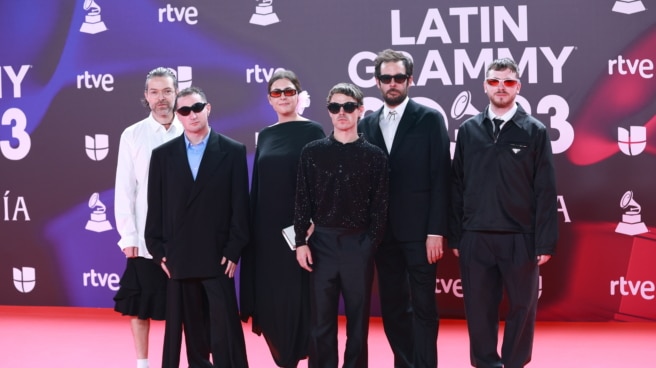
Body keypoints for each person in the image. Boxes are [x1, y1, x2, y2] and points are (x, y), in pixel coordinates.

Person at [449, 58, 558, 368]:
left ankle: (514, 363)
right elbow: (456, 184)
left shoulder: (534, 130)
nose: (501, 87)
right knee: (479, 309)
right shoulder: (469, 129)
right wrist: (457, 234)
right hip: (475, 237)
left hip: (520, 238)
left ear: (518, 87)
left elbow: (545, 190)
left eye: (508, 82)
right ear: (485, 85)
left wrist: (545, 242)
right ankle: (485, 363)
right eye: (495, 81)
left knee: (522, 307)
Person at [358, 49, 451, 367]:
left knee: (424, 306)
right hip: (382, 235)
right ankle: (406, 362)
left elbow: (441, 177)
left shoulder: (429, 118)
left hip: (421, 233)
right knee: (393, 307)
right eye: (386, 78)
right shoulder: (366, 123)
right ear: (377, 82)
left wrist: (436, 230)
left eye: (399, 77)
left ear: (411, 80)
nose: (393, 83)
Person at [145, 86, 250, 368]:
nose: (192, 115)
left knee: (224, 328)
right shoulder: (163, 156)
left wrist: (234, 248)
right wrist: (157, 250)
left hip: (218, 257)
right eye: (184, 110)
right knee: (191, 329)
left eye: (197, 108)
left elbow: (240, 206)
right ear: (177, 115)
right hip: (180, 257)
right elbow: (155, 209)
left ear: (208, 108)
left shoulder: (232, 151)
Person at [294, 82, 389, 368]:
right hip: (320, 244)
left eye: (348, 106)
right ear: (329, 112)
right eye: (335, 107)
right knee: (321, 321)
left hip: (357, 245)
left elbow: (380, 209)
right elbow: (302, 201)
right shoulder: (312, 152)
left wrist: (368, 245)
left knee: (358, 323)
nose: (342, 112)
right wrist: (300, 242)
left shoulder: (375, 156)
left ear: (360, 110)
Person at [239, 69, 325, 368]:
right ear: (269, 100)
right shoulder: (266, 134)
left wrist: (311, 224)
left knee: (301, 298)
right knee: (272, 299)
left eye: (289, 91)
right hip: (267, 234)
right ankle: (284, 359)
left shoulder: (313, 131)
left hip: (301, 232)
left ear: (299, 95)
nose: (284, 97)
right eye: (277, 93)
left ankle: (305, 354)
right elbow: (258, 184)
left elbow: (321, 183)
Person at [113, 67, 183, 368]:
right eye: (154, 92)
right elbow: (124, 189)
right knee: (140, 307)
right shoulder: (133, 134)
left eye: (167, 91)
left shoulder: (190, 128)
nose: (161, 98)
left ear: (176, 92)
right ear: (146, 96)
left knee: (183, 307)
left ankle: (176, 361)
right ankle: (142, 363)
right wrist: (128, 236)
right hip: (144, 238)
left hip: (184, 238)